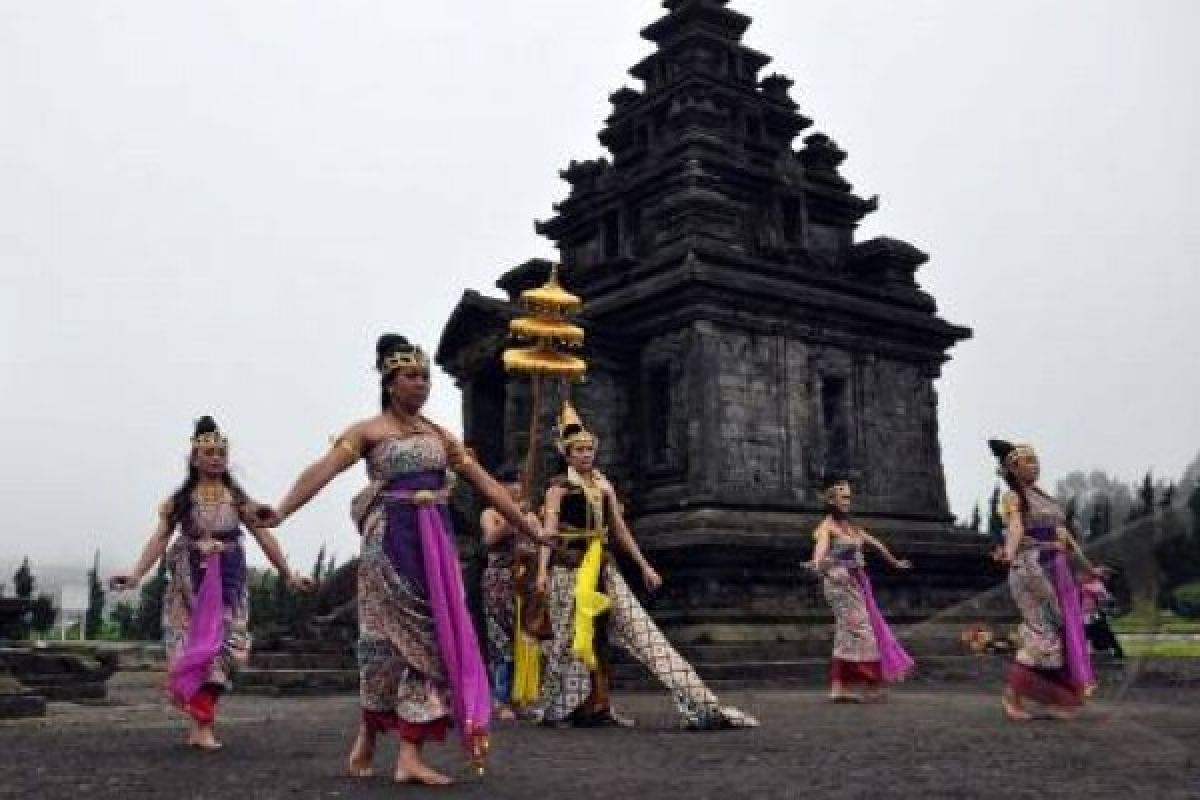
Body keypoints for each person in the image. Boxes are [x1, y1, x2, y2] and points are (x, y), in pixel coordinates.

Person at [266, 334, 548, 785]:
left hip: (434, 546)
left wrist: (531, 527)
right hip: (388, 544)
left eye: (425, 377)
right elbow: (321, 471)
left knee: (430, 644)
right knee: (382, 645)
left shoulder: (441, 437)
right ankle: (371, 735)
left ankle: (408, 756)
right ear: (390, 382)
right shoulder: (367, 432)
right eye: (411, 377)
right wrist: (281, 510)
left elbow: (489, 486)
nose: (421, 385)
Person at [532, 401, 757, 730]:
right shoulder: (558, 489)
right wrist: (541, 570)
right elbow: (550, 533)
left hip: (603, 568)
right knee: (570, 641)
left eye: (589, 449)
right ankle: (573, 707)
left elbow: (620, 532)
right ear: (567, 454)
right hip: (569, 570)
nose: (585, 455)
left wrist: (644, 566)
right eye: (578, 450)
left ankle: (699, 702)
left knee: (644, 634)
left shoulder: (604, 487)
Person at [110, 416, 311, 750]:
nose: (217, 458)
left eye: (221, 452)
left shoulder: (237, 499)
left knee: (228, 649)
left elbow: (264, 537)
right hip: (189, 584)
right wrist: (135, 575)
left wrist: (288, 573)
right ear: (194, 458)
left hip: (228, 581)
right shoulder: (181, 501)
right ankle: (202, 727)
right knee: (193, 651)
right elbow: (160, 539)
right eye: (210, 452)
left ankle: (200, 722)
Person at [989, 439, 1097, 721]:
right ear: (1012, 468)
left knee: (1058, 633)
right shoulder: (1013, 498)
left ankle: (1052, 698)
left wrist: (1088, 567)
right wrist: (1010, 552)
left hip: (1056, 567)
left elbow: (1065, 537)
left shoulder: (1045, 499)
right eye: (1028, 461)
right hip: (1031, 567)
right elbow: (1015, 527)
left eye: (1036, 460)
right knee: (1042, 633)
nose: (1035, 466)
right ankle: (1012, 695)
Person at [806, 477, 916, 702]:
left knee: (847, 633)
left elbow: (876, 544)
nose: (848, 501)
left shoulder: (850, 526)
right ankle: (870, 685)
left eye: (849, 497)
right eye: (843, 497)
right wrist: (817, 564)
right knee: (863, 631)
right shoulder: (827, 527)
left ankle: (839, 687)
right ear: (831, 499)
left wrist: (895, 562)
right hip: (839, 583)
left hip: (855, 582)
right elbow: (820, 550)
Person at [479, 465, 540, 719]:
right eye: (508, 483)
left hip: (524, 582)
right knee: (501, 642)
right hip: (498, 582)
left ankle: (522, 697)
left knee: (525, 640)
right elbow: (490, 539)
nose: (514, 488)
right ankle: (501, 699)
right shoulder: (490, 513)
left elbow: (539, 540)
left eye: (517, 483)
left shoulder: (531, 516)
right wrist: (512, 518)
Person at [1081, 567, 1124, 659]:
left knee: (1096, 632)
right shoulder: (1093, 584)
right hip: (1091, 613)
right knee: (1096, 632)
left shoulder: (1097, 585)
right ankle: (1106, 651)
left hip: (1094, 613)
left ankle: (1112, 651)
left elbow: (1104, 597)